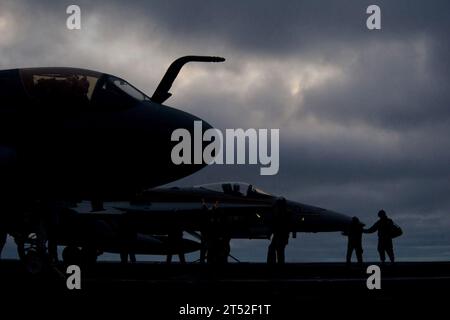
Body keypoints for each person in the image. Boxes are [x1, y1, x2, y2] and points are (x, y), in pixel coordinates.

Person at [267, 197, 290, 264]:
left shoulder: (282, 215)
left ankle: (275, 265)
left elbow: (277, 226)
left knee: (277, 251)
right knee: (278, 251)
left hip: (280, 236)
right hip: (281, 236)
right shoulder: (285, 214)